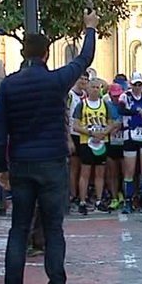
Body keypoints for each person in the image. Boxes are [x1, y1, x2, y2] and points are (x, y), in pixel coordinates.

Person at [0, 9, 99, 284]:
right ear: (47, 54)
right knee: (54, 227)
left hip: (20, 162)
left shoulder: (9, 86)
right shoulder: (56, 81)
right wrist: (89, 28)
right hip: (52, 161)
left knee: (19, 226)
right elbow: (84, 60)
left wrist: (1, 168)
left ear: (22, 53)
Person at [73, 78, 114, 215]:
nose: (95, 90)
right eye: (93, 87)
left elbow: (111, 123)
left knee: (100, 173)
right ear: (88, 88)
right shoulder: (82, 105)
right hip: (86, 142)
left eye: (98, 87)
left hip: (101, 142)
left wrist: (103, 133)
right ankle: (83, 201)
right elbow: (76, 126)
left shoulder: (105, 104)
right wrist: (91, 133)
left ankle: (99, 200)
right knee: (85, 172)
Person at [118, 72, 142, 214]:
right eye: (135, 84)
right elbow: (121, 110)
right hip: (130, 134)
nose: (137, 87)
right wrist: (138, 111)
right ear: (131, 84)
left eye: (140, 84)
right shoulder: (125, 96)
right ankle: (128, 199)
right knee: (129, 170)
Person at [67, 71, 89, 211]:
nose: (83, 81)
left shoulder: (87, 96)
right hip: (73, 134)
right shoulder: (70, 95)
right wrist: (68, 139)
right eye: (81, 78)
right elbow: (66, 116)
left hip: (85, 135)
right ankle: (73, 196)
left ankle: (83, 196)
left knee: (85, 168)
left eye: (86, 79)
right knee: (74, 168)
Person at [103, 83, 125, 211]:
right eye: (114, 96)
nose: (116, 98)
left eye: (118, 96)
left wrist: (119, 124)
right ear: (110, 95)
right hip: (111, 142)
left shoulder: (125, 104)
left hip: (124, 141)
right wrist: (111, 127)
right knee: (113, 173)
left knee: (126, 172)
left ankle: (126, 196)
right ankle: (114, 197)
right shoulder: (106, 106)